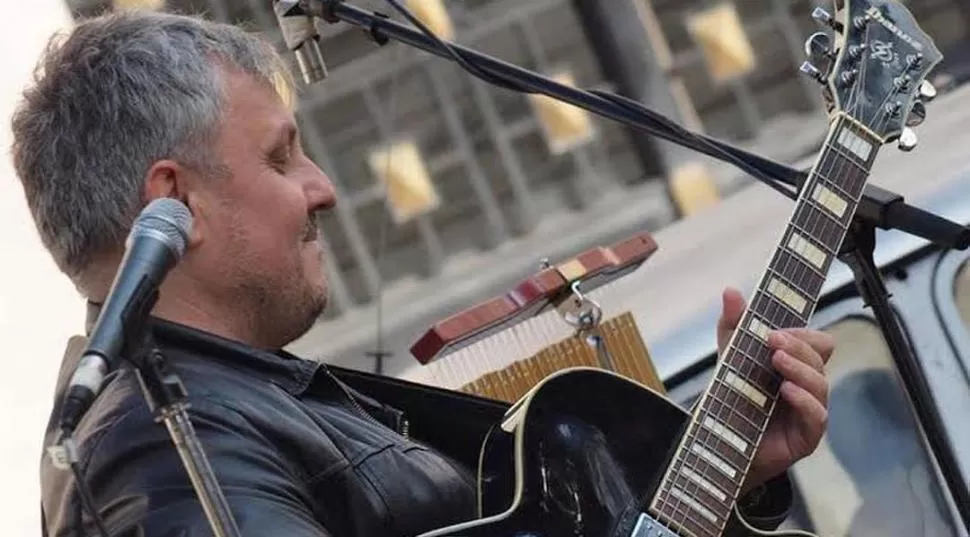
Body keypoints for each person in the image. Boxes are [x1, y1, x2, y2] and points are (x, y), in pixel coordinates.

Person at [11, 10, 834, 537]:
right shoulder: (162, 450)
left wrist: (731, 465)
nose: (323, 187)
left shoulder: (242, 404)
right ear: (174, 202)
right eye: (280, 156)